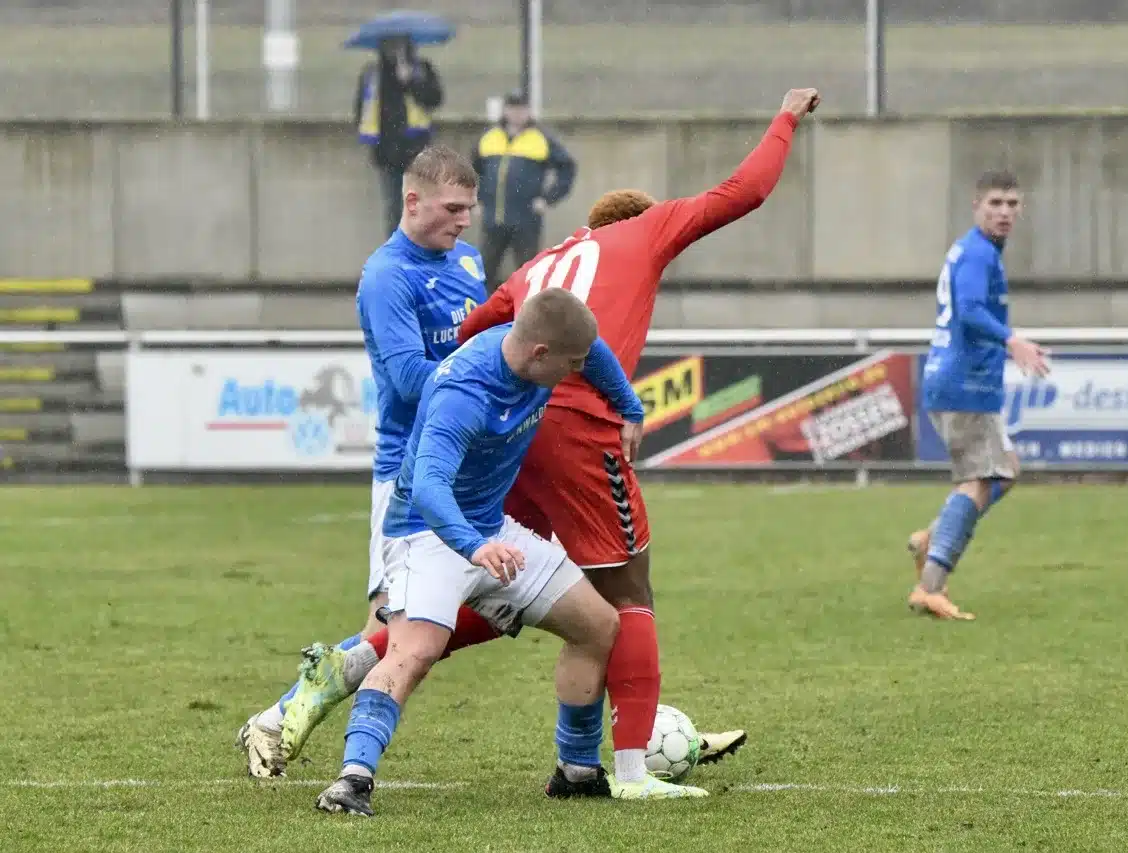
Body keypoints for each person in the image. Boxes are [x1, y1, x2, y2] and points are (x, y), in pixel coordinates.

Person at [269, 87, 819, 785]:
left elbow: (485, 334)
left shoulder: (543, 264)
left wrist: (458, 411)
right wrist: (783, 118)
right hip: (572, 421)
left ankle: (349, 664)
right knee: (627, 593)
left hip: (513, 428)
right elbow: (743, 191)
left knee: (504, 591)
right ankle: (631, 761)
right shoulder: (648, 231)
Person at [315, 289, 706, 816]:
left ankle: (577, 771)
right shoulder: (465, 393)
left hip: (491, 530)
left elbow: (594, 356)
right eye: (569, 366)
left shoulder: (537, 352)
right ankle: (351, 781)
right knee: (415, 651)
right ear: (540, 354)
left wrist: (628, 405)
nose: (575, 374)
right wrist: (474, 547)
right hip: (425, 534)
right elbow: (430, 487)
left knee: (598, 625)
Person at [235, 144, 487, 778]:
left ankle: (304, 721)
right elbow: (405, 380)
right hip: (409, 473)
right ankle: (286, 718)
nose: (464, 221)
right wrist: (485, 383)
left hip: (469, 466)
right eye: (453, 208)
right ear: (413, 200)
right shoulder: (386, 276)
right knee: (391, 626)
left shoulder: (470, 261)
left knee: (435, 622)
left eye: (470, 209)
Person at [905, 169, 1050, 620]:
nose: (1004, 212)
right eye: (995, 204)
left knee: (1004, 471)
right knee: (982, 479)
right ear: (976, 206)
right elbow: (968, 311)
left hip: (967, 381)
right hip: (962, 382)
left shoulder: (981, 251)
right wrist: (1012, 340)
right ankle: (931, 585)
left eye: (1011, 204)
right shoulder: (978, 255)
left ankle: (932, 536)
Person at [472, 91, 577, 293]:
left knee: (529, 273)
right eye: (513, 109)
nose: (517, 114)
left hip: (526, 219)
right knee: (485, 272)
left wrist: (548, 199)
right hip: (493, 218)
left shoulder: (541, 138)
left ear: (528, 111)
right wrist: (475, 200)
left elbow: (567, 168)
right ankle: (483, 318)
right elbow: (472, 171)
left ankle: (527, 318)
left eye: (521, 109)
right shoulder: (489, 137)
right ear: (505, 111)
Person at [354, 36, 445, 236]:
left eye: (400, 45)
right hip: (387, 154)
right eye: (390, 45)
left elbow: (435, 99)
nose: (395, 51)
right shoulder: (372, 74)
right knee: (394, 211)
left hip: (417, 152)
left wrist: (411, 82)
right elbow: (361, 112)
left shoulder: (422, 69)